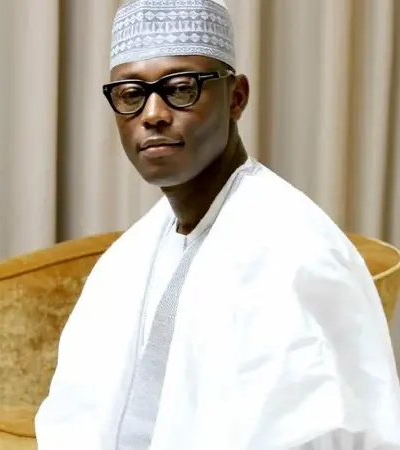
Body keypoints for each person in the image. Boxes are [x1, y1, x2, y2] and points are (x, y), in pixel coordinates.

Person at [35, 0, 400, 448]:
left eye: (181, 88)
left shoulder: (292, 252)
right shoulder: (128, 258)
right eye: (131, 94)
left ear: (236, 98)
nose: (152, 114)